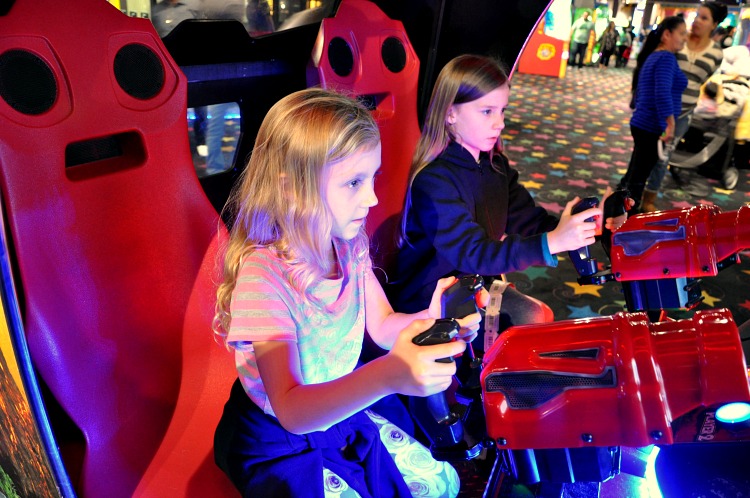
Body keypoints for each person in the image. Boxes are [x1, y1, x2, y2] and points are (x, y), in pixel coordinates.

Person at [212, 88, 486, 498]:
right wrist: (388, 375)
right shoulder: (263, 279)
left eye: (371, 178)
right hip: (282, 437)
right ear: (291, 188)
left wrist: (430, 318)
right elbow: (292, 410)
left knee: (439, 483)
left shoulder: (348, 246)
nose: (372, 198)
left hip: (340, 406)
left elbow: (382, 326)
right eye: (353, 182)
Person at [392, 54, 626, 356]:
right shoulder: (434, 181)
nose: (499, 123)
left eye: (502, 111)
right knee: (528, 330)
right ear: (450, 113)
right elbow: (474, 253)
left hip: (472, 284)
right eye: (487, 111)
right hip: (432, 298)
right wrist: (553, 241)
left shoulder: (495, 165)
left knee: (537, 320)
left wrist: (587, 221)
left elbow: (532, 222)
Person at [641, 2, 727, 211]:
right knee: (644, 150)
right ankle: (631, 191)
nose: (697, 21)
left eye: (704, 18)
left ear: (714, 24)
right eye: (697, 16)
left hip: (683, 114)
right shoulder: (680, 40)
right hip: (659, 107)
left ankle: (648, 199)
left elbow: (702, 80)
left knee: (663, 157)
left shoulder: (716, 53)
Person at [618, 17, 688, 212]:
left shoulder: (654, 56)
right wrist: (670, 125)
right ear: (667, 35)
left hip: (643, 123)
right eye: (681, 33)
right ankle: (626, 219)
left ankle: (617, 208)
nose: (685, 37)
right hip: (651, 126)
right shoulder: (666, 58)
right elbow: (662, 92)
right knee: (638, 179)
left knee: (634, 173)